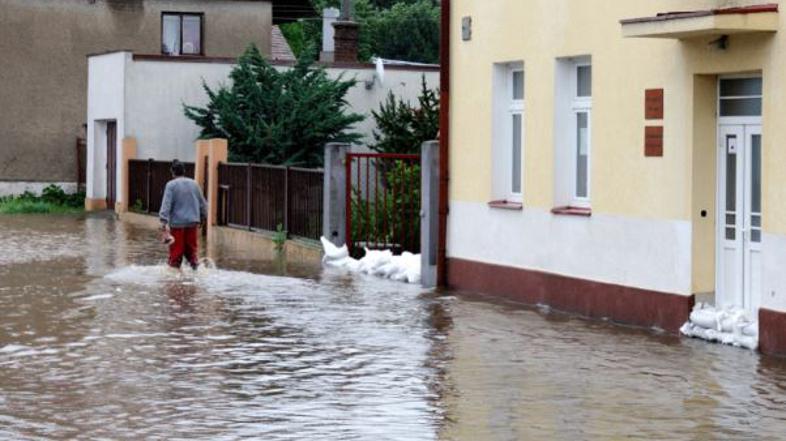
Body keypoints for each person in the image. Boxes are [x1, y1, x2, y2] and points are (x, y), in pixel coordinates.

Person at [159, 160, 207, 270]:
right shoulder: (194, 184)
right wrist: (202, 217)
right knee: (192, 255)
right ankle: (196, 276)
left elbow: (166, 205)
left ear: (172, 172)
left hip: (177, 225)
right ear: (184, 171)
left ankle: (174, 279)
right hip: (192, 224)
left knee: (175, 256)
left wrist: (163, 223)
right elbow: (203, 204)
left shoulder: (171, 185)